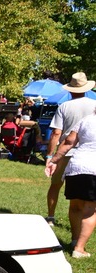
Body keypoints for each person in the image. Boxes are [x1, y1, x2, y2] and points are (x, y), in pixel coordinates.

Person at [44, 72, 96, 226]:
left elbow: (56, 133)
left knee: (55, 185)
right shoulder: (94, 105)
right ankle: (82, 224)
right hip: (87, 154)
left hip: (66, 151)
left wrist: (50, 156)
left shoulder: (64, 106)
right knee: (82, 194)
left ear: (70, 89)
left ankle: (51, 217)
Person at [46, 110, 96, 258]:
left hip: (76, 166)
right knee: (90, 210)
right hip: (93, 169)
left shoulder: (86, 119)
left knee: (75, 206)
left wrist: (54, 160)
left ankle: (74, 240)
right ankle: (79, 249)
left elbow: (68, 142)